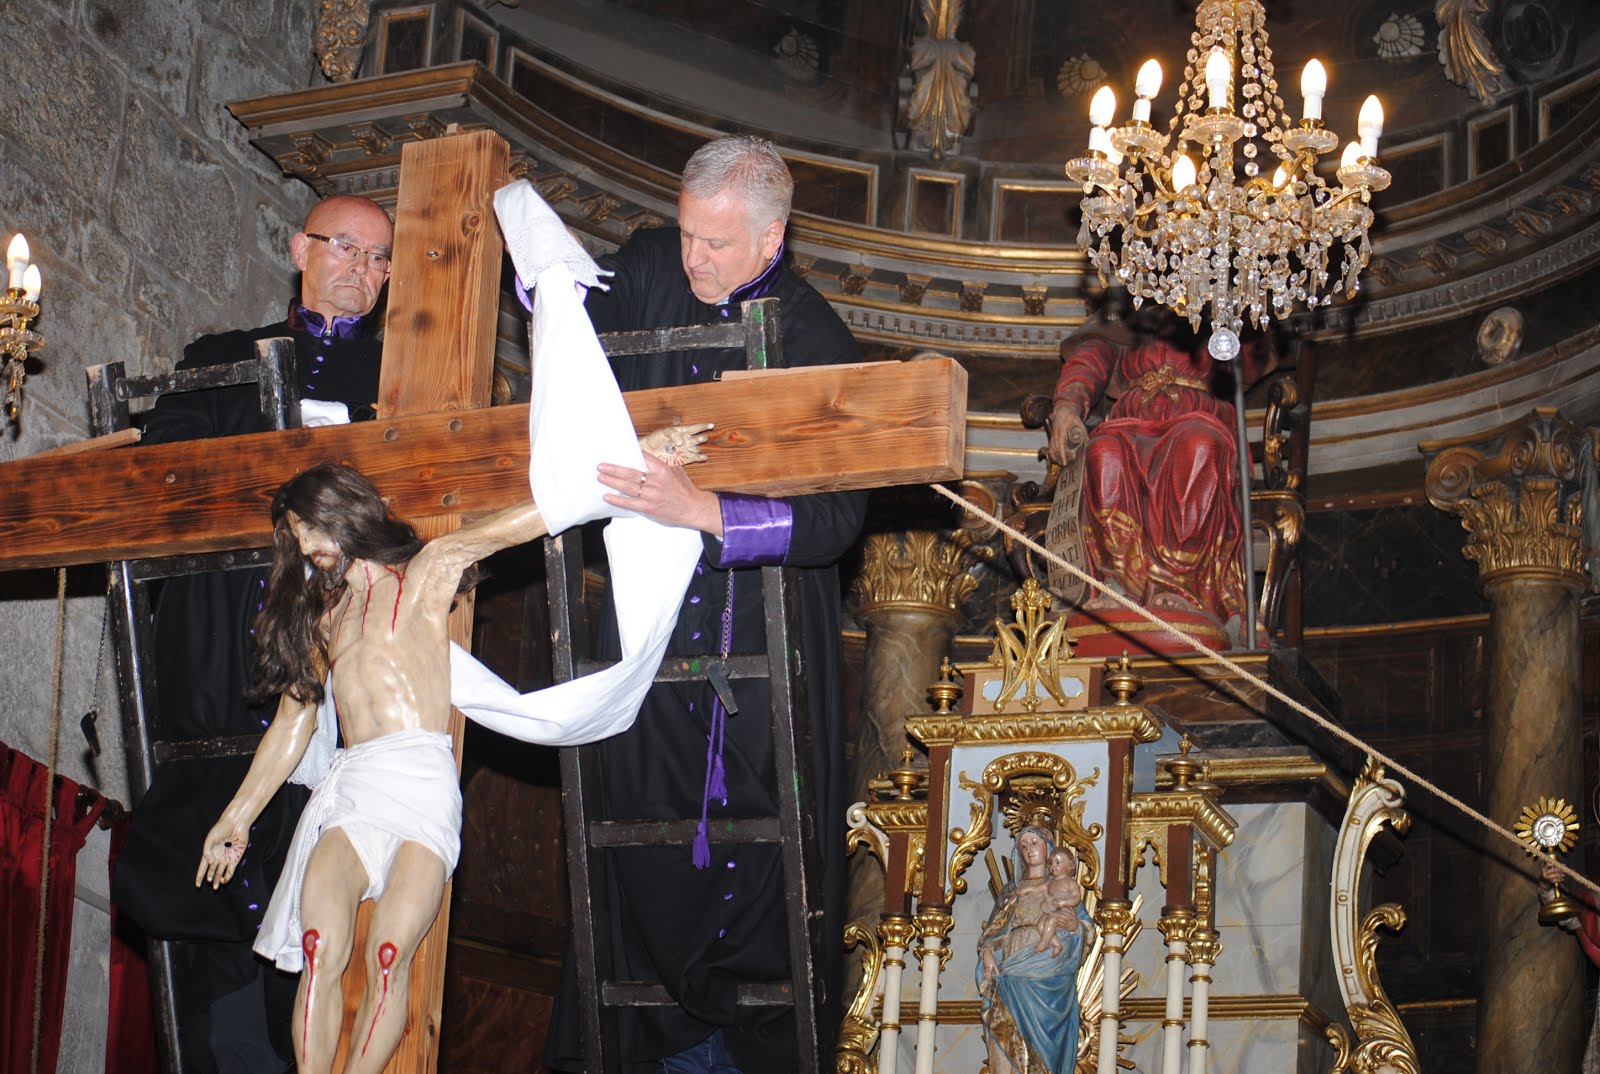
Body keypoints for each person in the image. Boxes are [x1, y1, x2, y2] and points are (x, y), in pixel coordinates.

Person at [197, 429, 707, 1074]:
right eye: (294, 536)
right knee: (321, 946)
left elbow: (528, 517)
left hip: (422, 786)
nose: (304, 546)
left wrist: (637, 455)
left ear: (342, 512)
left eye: (308, 528)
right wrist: (235, 817)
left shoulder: (429, 574)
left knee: (388, 957)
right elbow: (292, 724)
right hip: (353, 789)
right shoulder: (326, 622)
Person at [544, 134, 868, 1074]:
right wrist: (545, 280)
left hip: (760, 660)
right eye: (690, 234)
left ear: (773, 237)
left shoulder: (815, 336)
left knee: (755, 881)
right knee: (629, 862)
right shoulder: (652, 266)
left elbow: (838, 519)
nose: (696, 260)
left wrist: (708, 510)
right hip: (644, 653)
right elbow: (569, 325)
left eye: (718, 246)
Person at [112, 194, 397, 1074]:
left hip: (350, 704)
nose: (363, 267)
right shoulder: (224, 362)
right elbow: (163, 486)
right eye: (344, 245)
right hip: (228, 681)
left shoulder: (399, 381)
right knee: (220, 971)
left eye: (381, 258)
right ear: (297, 249)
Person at [1043, 290, 1270, 652]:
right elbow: (1092, 357)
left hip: (1199, 416)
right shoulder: (1126, 311)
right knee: (1103, 452)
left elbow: (1250, 362)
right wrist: (1068, 406)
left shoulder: (1220, 298)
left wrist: (1226, 316)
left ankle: (1181, 588)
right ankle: (1116, 583)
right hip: (1132, 420)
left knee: (1197, 448)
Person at [976, 827, 1096, 1074]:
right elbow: (995, 932)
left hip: (1048, 975)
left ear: (1049, 849)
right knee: (1005, 1036)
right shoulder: (1010, 892)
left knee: (1045, 1052)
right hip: (1011, 969)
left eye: (1034, 843)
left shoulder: (1062, 886)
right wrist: (988, 952)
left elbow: (1085, 929)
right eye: (1023, 845)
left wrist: (1074, 927)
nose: (1029, 850)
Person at [1031, 847, 1085, 956]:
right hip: (1050, 910)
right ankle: (1056, 944)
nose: (1053, 867)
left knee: (1051, 921)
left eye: (1057, 863)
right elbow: (1037, 888)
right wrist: (1024, 890)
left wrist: (1063, 903)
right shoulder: (1050, 883)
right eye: (1051, 863)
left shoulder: (1070, 882)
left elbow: (1076, 898)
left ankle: (1044, 942)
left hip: (1063, 911)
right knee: (1040, 925)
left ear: (1070, 866)